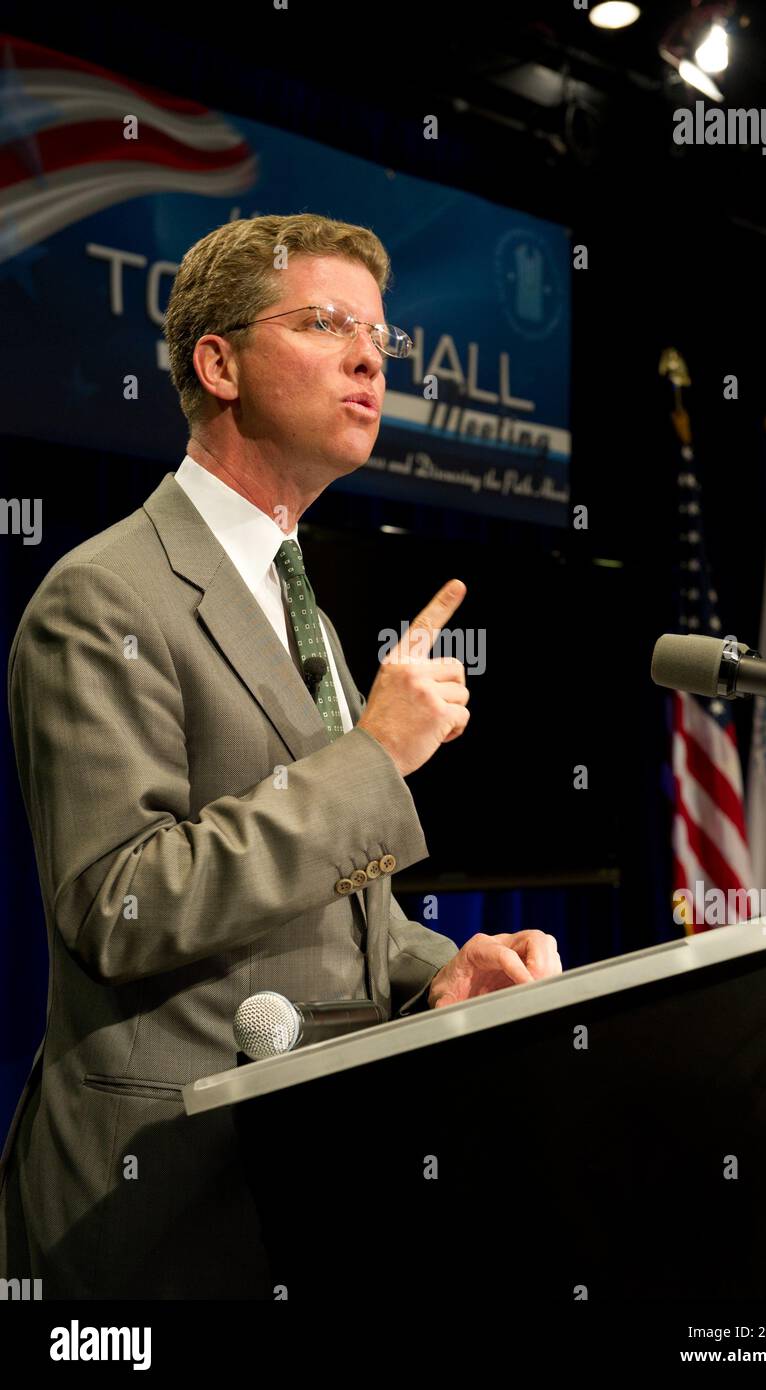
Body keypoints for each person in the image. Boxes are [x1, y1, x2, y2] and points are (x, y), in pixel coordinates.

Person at [0, 213, 562, 1299]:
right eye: (325, 324)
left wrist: (433, 967)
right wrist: (373, 759)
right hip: (155, 1197)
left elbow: (329, 904)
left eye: (379, 339)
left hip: (309, 1170)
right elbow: (121, 900)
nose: (369, 359)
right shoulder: (102, 596)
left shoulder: (295, 598)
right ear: (218, 363)